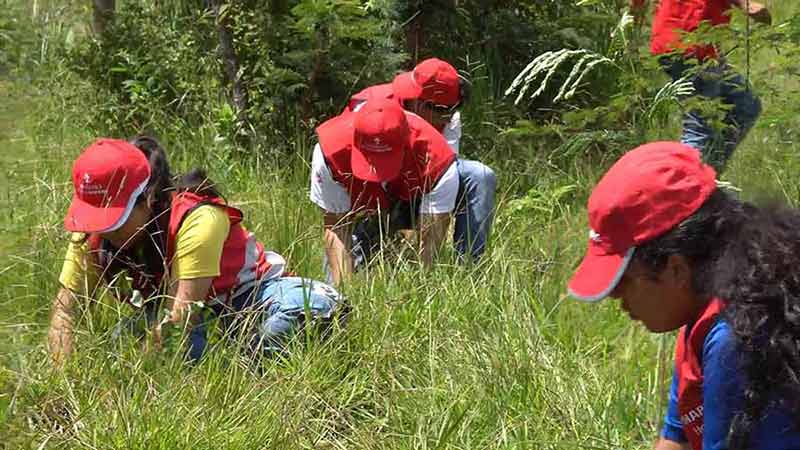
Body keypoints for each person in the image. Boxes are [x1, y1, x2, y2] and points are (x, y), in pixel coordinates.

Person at [567, 141, 800, 450]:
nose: (615, 298)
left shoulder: (740, 338)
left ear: (675, 269)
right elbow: (675, 440)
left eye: (623, 281)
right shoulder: (703, 308)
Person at [49, 136, 344, 365]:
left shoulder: (198, 219)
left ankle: (244, 362)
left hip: (252, 296)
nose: (106, 231)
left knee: (312, 309)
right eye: (98, 220)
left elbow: (181, 319)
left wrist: (141, 374)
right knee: (121, 345)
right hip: (187, 322)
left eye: (116, 219)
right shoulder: (90, 232)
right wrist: (62, 384)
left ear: (148, 197)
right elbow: (65, 310)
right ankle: (242, 360)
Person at [345, 58, 496, 262]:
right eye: (444, 112)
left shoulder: (449, 117)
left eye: (453, 109)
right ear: (419, 102)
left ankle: (469, 266)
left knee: (479, 176)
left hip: (417, 183)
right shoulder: (371, 107)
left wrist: (427, 228)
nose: (450, 118)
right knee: (358, 253)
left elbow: (441, 172)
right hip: (372, 182)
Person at [310, 99, 459, 286]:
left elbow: (429, 249)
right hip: (363, 212)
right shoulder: (330, 152)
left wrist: (418, 290)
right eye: (370, 160)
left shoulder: (436, 159)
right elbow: (337, 226)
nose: (378, 174)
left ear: (406, 141)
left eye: (385, 160)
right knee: (335, 286)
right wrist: (343, 297)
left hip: (412, 205)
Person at [631, 0, 771, 172]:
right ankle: (688, 188)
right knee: (699, 127)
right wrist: (745, 4)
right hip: (691, 45)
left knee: (747, 105)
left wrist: (634, 19)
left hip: (687, 43)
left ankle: (708, 175)